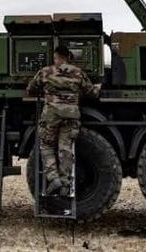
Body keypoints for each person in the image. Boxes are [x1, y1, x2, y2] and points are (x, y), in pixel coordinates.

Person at [26, 45, 100, 196]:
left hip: (51, 115)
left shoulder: (46, 72)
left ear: (56, 57)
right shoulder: (78, 73)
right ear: (69, 57)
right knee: (65, 147)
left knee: (46, 145)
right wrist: (99, 86)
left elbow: (31, 89)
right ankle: (66, 182)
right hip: (71, 115)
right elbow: (92, 93)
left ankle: (54, 178)